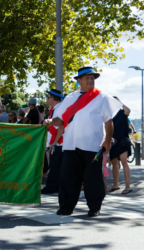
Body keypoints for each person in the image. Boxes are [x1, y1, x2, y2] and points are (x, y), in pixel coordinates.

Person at [43, 66, 122, 217]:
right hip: (70, 145)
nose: (90, 80)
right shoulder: (70, 98)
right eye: (87, 78)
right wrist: (50, 121)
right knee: (68, 178)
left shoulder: (102, 97)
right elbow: (60, 121)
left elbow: (108, 121)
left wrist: (107, 141)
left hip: (92, 145)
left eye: (92, 78)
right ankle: (66, 207)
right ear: (78, 80)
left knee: (93, 179)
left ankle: (94, 207)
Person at [41, 89, 64, 194]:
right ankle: (55, 186)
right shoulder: (54, 108)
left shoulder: (59, 108)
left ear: (54, 98)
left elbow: (61, 125)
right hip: (55, 141)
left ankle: (51, 187)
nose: (47, 99)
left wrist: (55, 141)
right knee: (55, 165)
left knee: (55, 165)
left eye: (48, 97)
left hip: (59, 142)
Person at [109, 97, 132, 194]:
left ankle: (127, 186)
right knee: (114, 163)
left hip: (122, 141)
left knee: (124, 162)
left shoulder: (122, 112)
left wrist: (120, 102)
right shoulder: (109, 114)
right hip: (113, 141)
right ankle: (115, 185)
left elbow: (128, 110)